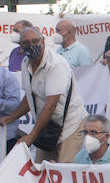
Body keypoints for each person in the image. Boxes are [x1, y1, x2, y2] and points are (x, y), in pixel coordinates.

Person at [9, 24, 85, 162]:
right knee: (41, 171)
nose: (31, 45)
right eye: (26, 42)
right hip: (47, 127)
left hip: (69, 126)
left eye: (35, 41)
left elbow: (51, 105)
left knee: (64, 172)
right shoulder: (25, 63)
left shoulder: (56, 64)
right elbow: (29, 97)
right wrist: (10, 118)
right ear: (20, 45)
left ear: (43, 41)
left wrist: (32, 136)